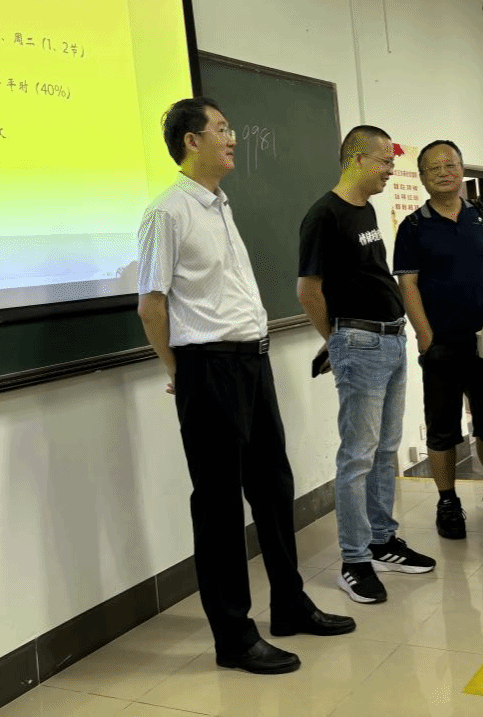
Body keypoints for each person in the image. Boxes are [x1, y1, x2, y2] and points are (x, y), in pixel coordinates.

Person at [136, 97, 354, 676]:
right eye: (222, 129)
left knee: (274, 487)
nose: (232, 138)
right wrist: (179, 371)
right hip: (208, 368)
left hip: (252, 364)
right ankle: (233, 636)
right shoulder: (168, 212)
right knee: (218, 506)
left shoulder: (219, 205)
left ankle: (290, 604)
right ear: (191, 141)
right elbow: (152, 305)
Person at [297, 125, 437, 605]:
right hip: (359, 343)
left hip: (390, 340)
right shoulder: (324, 215)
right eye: (384, 161)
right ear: (356, 159)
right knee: (357, 456)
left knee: (384, 450)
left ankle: (381, 541)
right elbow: (308, 290)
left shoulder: (367, 210)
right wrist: (336, 342)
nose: (390, 170)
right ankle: (354, 560)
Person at [392, 140, 483, 539]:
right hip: (441, 345)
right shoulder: (413, 227)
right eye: (434, 168)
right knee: (442, 430)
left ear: (461, 169)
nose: (444, 172)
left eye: (451, 165)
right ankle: (448, 502)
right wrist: (426, 338)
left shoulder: (482, 215)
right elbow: (408, 285)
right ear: (422, 177)